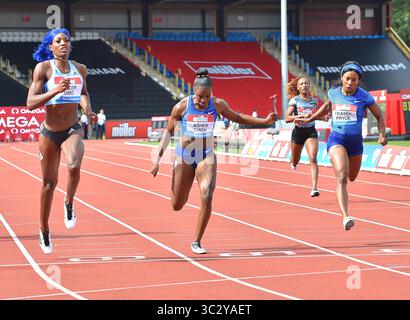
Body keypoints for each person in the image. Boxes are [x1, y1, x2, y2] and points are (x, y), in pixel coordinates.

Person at [151, 69, 277, 254]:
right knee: (177, 204)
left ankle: (196, 241)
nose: (203, 101)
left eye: (207, 97)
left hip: (206, 155)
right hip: (185, 155)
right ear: (194, 90)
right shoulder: (181, 107)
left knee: (207, 194)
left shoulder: (217, 105)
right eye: (200, 97)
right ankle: (176, 177)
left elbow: (238, 117)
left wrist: (264, 121)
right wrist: (158, 158)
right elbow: (168, 132)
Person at [26, 28, 96, 254]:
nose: (64, 43)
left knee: (74, 165)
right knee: (48, 183)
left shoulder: (80, 69)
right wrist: (54, 90)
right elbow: (30, 102)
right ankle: (44, 229)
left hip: (72, 129)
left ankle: (68, 203)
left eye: (67, 40)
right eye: (58, 41)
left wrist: (88, 110)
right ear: (51, 46)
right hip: (49, 133)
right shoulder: (44, 69)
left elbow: (83, 93)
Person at [296, 61, 387, 231]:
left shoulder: (364, 96)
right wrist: (310, 118)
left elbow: (380, 116)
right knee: (342, 178)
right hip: (336, 140)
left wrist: (382, 134)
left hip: (356, 144)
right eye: (347, 79)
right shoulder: (333, 93)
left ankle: (345, 209)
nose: (350, 83)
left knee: (352, 177)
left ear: (358, 81)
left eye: (354, 80)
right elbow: (326, 107)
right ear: (342, 78)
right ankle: (346, 217)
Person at [285, 77, 329, 197]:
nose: (304, 85)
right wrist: (299, 117)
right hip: (298, 132)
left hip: (310, 131)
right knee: (295, 160)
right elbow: (287, 118)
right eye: (302, 84)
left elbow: (315, 115)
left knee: (313, 158)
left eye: (306, 83)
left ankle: (314, 188)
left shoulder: (314, 101)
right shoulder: (294, 100)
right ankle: (293, 161)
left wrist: (323, 118)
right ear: (298, 87)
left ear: (309, 86)